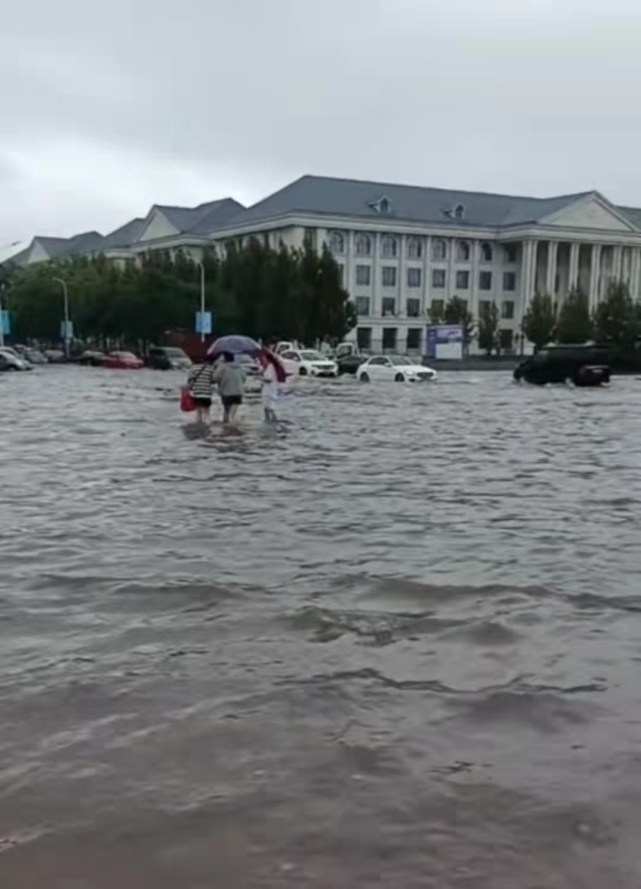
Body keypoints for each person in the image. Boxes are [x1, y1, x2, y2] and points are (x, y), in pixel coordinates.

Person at [213, 351, 246, 425]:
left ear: (225, 359)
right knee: (233, 413)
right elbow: (244, 378)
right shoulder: (239, 367)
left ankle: (226, 427)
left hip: (226, 392)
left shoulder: (222, 367)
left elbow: (215, 378)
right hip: (238, 392)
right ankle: (233, 426)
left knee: (227, 411)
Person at [186, 360, 216, 425]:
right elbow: (213, 380)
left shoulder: (193, 368)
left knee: (198, 412)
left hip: (197, 392)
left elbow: (189, 380)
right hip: (207, 393)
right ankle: (208, 425)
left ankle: (199, 425)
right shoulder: (210, 368)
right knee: (207, 412)